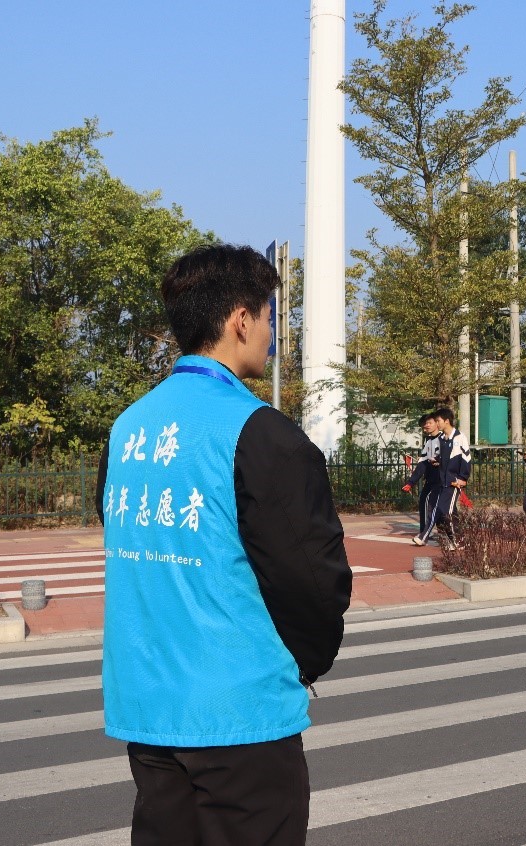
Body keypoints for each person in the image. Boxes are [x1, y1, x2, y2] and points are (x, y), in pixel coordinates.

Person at [95, 244, 352, 846]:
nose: (271, 334)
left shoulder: (128, 427)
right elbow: (314, 580)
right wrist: (304, 664)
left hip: (149, 708)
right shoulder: (260, 433)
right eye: (268, 317)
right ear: (240, 319)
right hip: (240, 715)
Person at [414, 407, 471, 550]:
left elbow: (466, 459)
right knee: (435, 508)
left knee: (446, 511)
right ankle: (426, 536)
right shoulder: (442, 439)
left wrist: (463, 477)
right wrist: (437, 461)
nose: (436, 423)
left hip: (454, 482)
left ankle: (457, 541)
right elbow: (445, 458)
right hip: (442, 481)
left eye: (438, 421)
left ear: (446, 421)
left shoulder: (459, 437)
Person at [404, 413, 441, 545]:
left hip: (442, 478)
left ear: (437, 422)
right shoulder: (428, 441)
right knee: (426, 502)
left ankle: (428, 533)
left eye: (429, 423)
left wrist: (439, 461)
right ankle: (425, 532)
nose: (427, 426)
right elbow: (423, 463)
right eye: (424, 425)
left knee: (439, 505)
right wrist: (411, 482)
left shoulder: (444, 438)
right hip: (431, 479)